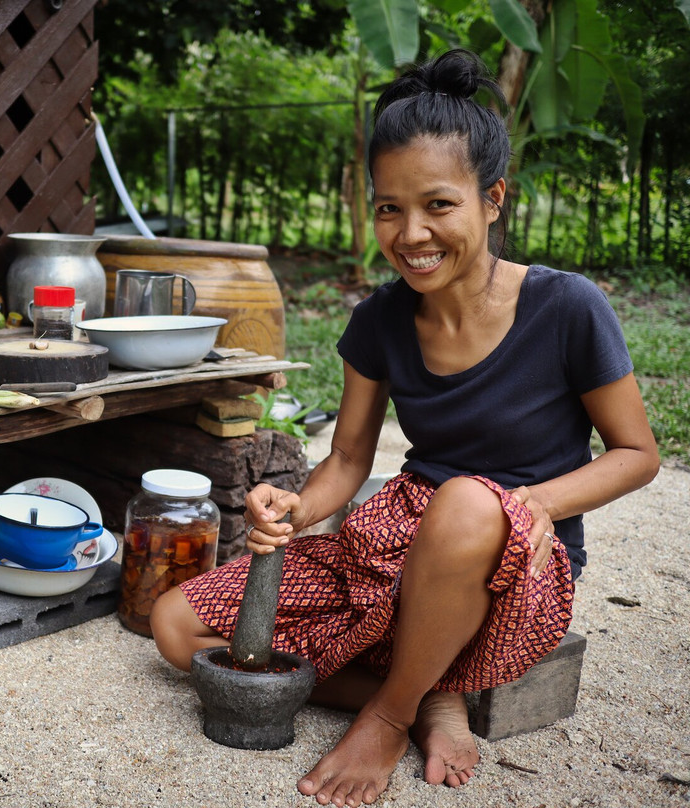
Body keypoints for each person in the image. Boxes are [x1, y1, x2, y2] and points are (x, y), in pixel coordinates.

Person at [149, 48, 660, 808]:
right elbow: (350, 457)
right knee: (176, 627)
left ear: (493, 200)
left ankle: (387, 717)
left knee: (464, 501)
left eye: (438, 205)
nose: (411, 233)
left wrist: (539, 506)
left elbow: (638, 454)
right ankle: (427, 694)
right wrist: (297, 506)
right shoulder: (379, 320)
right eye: (390, 207)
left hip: (513, 564)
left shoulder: (567, 307)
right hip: (391, 547)